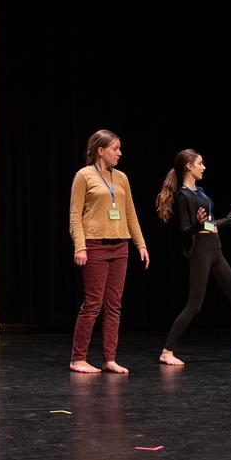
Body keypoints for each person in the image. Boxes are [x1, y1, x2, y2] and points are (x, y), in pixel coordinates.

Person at [155, 149, 231, 366]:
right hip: (201, 250)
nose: (204, 167)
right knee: (194, 305)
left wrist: (222, 221)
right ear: (188, 166)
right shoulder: (184, 196)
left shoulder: (201, 192)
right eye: (200, 163)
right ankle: (167, 351)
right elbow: (185, 231)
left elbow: (209, 224)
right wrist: (219, 221)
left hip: (215, 248)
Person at [68, 129, 149, 374]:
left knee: (114, 305)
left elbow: (130, 213)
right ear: (101, 151)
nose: (120, 153)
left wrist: (141, 244)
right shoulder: (83, 176)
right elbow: (75, 214)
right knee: (93, 303)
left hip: (120, 245)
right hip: (94, 245)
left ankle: (109, 358)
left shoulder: (121, 178)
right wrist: (79, 246)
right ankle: (78, 358)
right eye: (115, 149)